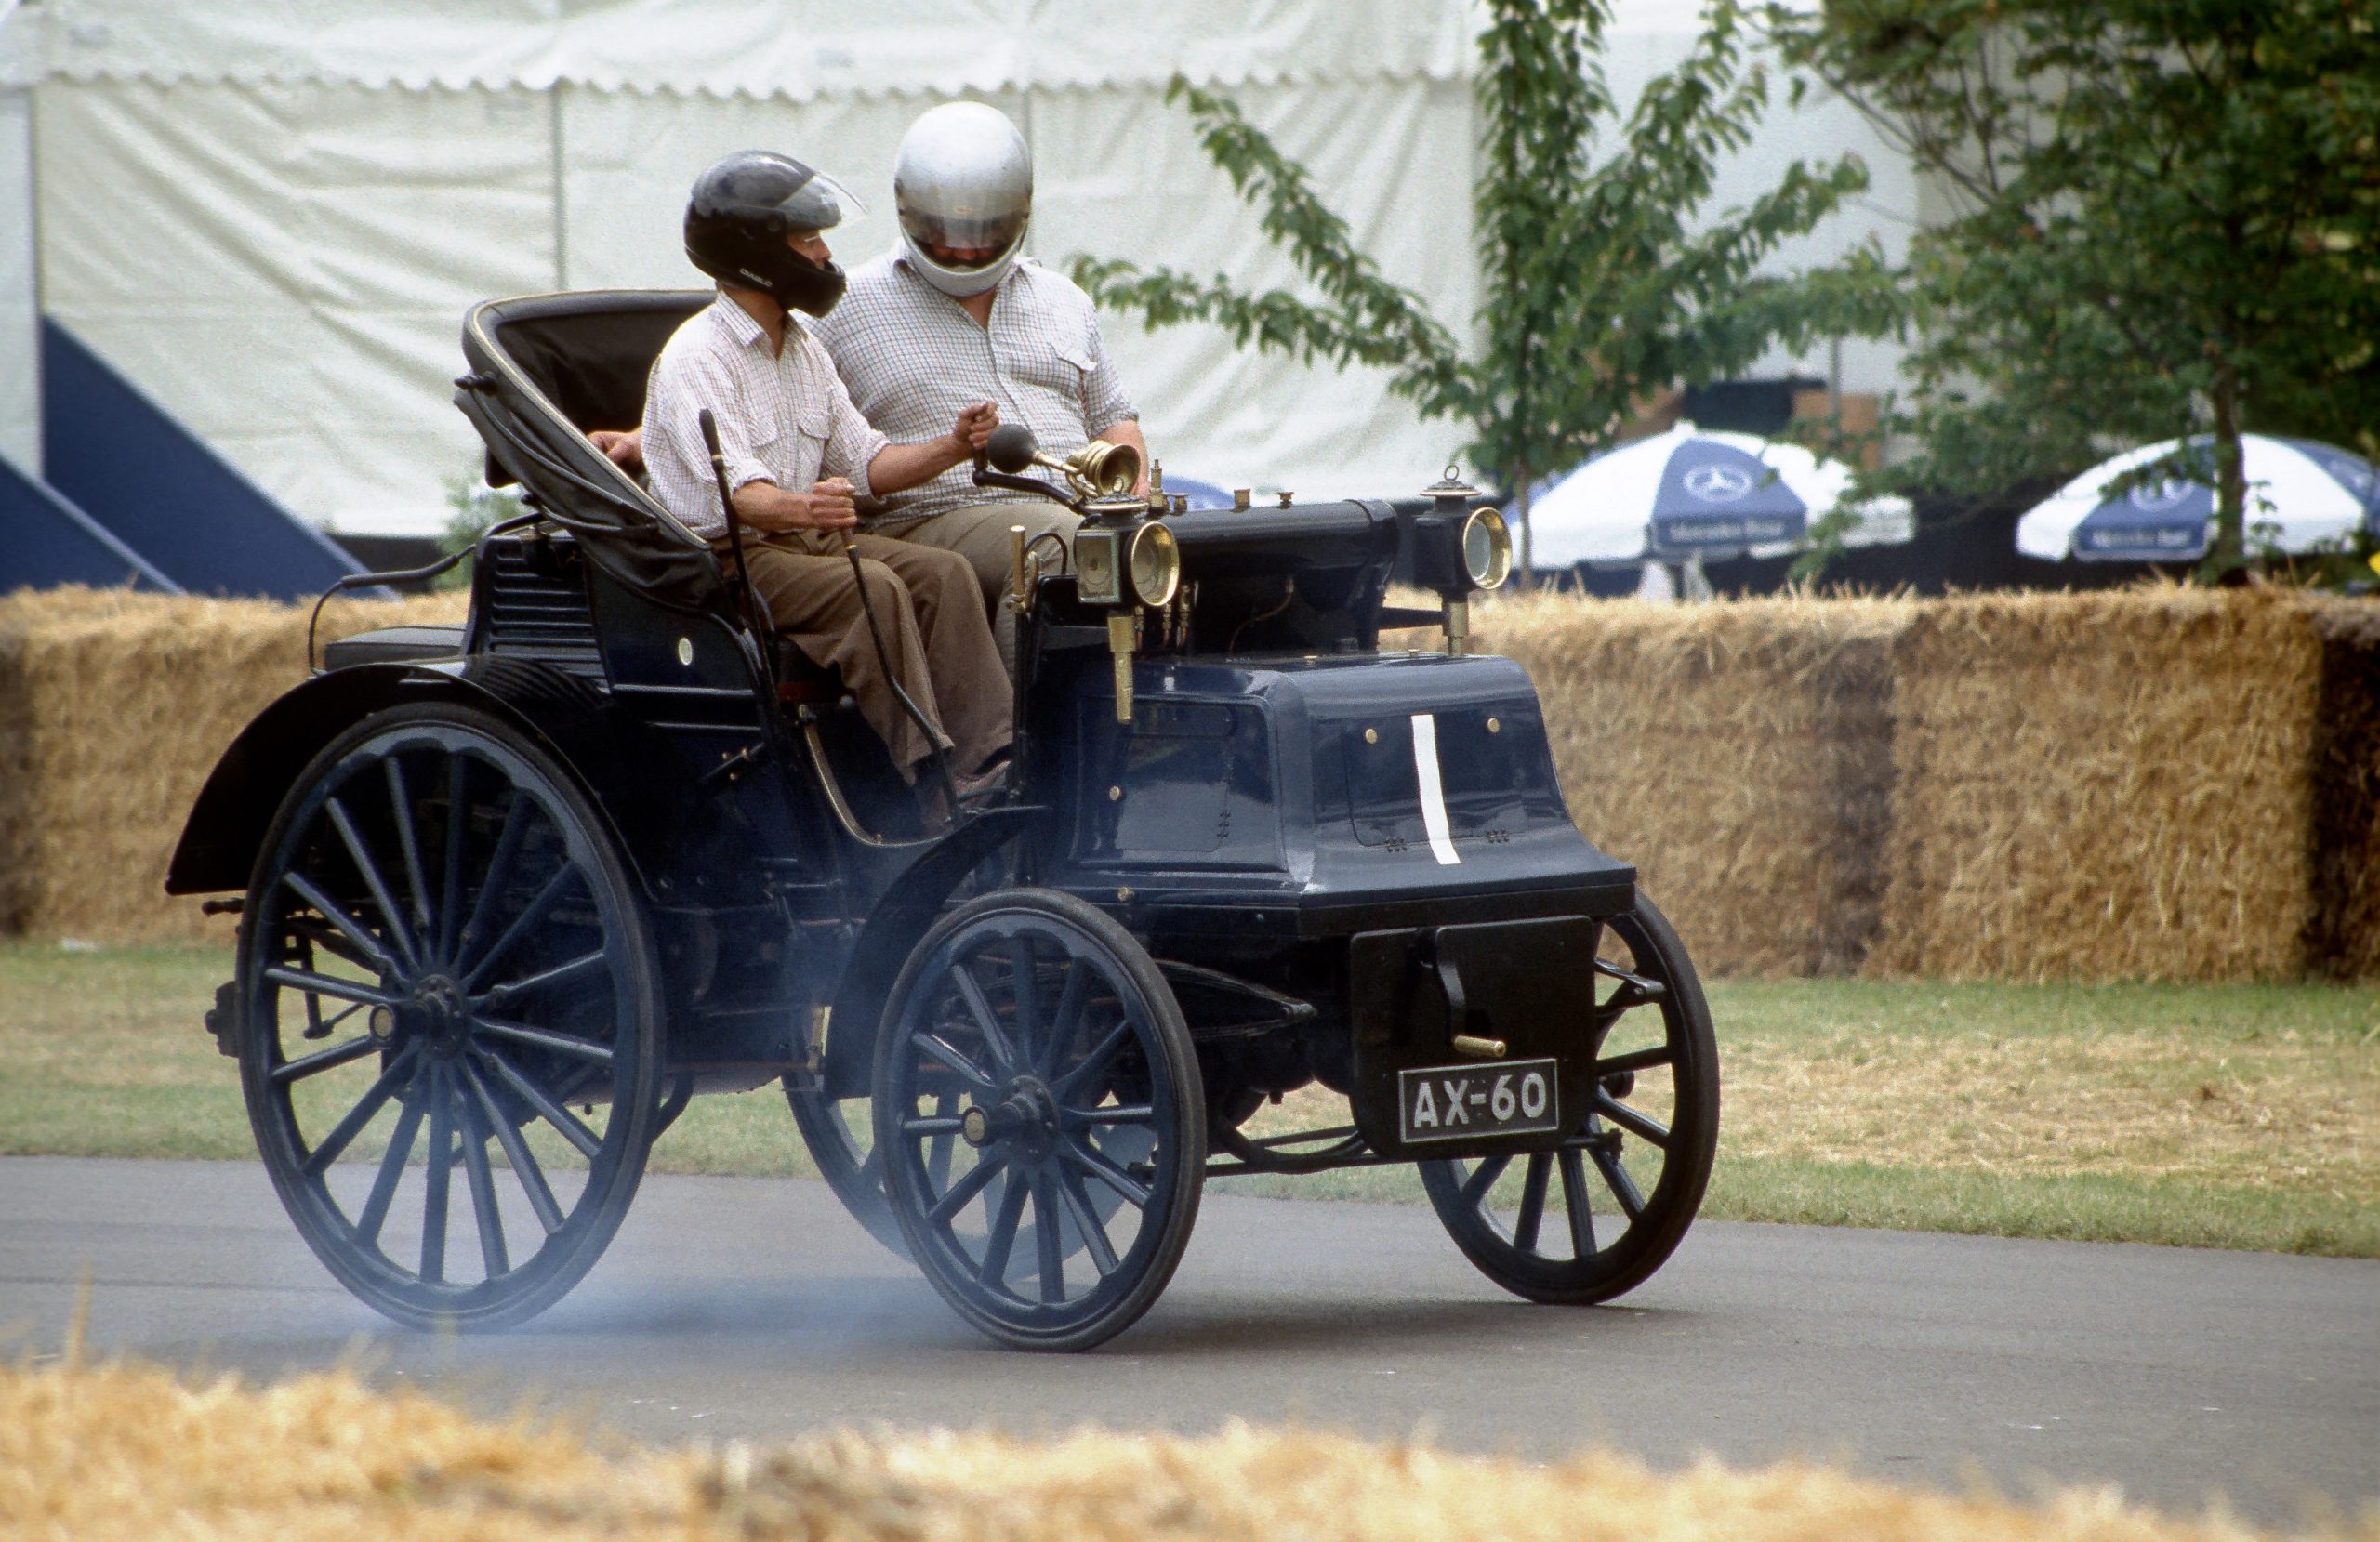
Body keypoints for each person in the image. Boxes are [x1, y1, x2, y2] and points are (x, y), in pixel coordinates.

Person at [640, 149, 1010, 789]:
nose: (822, 255)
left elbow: (869, 463)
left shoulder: (805, 350)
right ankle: (929, 783)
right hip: (726, 560)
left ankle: (992, 760)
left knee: (945, 574)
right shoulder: (696, 356)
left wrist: (953, 445)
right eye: (808, 239)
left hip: (797, 545)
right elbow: (743, 499)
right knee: (875, 588)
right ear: (757, 252)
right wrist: (808, 506)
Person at [809, 101, 1147, 670]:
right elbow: (751, 386)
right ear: (907, 212)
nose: (964, 250)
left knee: (1192, 552)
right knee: (1060, 549)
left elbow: (1116, 419)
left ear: (1019, 215)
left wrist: (1130, 496)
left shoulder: (1065, 298)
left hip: (1080, 510)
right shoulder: (841, 304)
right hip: (928, 518)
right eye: (943, 233)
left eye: (984, 233)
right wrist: (649, 437)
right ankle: (1020, 749)